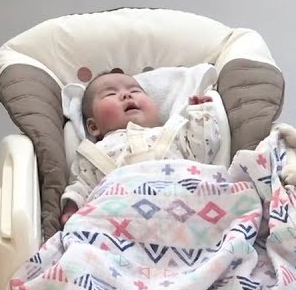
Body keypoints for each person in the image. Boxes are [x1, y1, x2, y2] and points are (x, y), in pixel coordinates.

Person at [60, 73, 221, 225]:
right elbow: (82, 186)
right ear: (93, 126)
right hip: (120, 222)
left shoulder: (174, 133)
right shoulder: (94, 153)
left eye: (135, 91)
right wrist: (72, 208)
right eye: (110, 94)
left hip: (185, 210)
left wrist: (201, 113)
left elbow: (203, 148)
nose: (126, 95)